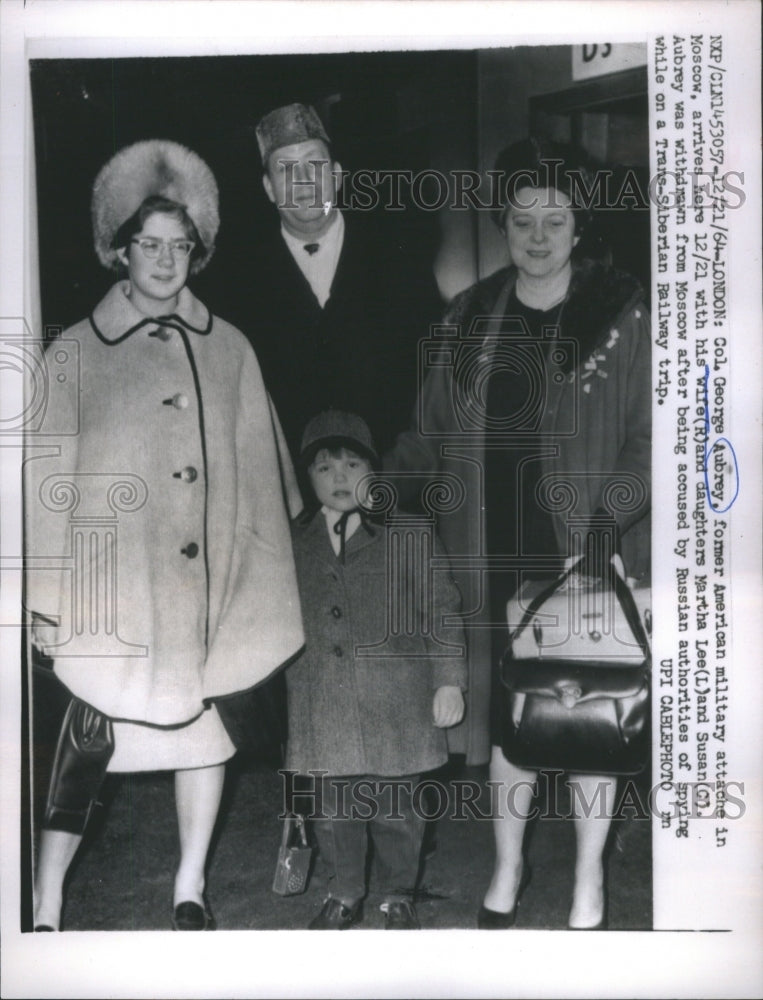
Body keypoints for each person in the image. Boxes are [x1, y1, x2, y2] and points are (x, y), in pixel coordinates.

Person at [25, 139, 304, 931]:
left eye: (179, 246)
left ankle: (190, 884)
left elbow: (261, 480)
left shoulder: (232, 350)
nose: (164, 259)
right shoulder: (75, 351)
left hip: (206, 591)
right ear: (119, 250)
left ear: (198, 252)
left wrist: (253, 587)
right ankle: (46, 902)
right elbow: (43, 485)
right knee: (81, 751)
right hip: (113, 596)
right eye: (147, 243)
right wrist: (44, 599)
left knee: (203, 736)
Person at [385, 137, 651, 929]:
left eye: (554, 220)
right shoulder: (470, 315)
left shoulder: (621, 312)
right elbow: (427, 429)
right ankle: (506, 867)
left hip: (585, 547)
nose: (537, 236)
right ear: (504, 224)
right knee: (515, 715)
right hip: (492, 543)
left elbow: (650, 432)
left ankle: (587, 880)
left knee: (586, 711)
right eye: (522, 220)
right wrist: (378, 484)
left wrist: (609, 518)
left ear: (578, 228)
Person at [285, 410, 467, 930]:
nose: (339, 478)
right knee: (334, 810)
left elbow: (442, 610)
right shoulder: (293, 542)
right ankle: (344, 891)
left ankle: (397, 893)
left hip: (398, 703)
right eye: (324, 468)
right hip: (323, 700)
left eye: (351, 463)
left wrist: (449, 679)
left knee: (397, 811)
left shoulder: (408, 533)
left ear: (374, 471)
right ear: (307, 477)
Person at [197, 102, 443, 463]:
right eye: (286, 169)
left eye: (314, 163)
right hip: (285, 503)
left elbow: (432, 393)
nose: (303, 180)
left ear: (338, 175)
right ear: (268, 187)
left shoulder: (400, 262)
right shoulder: (235, 284)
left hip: (391, 492)